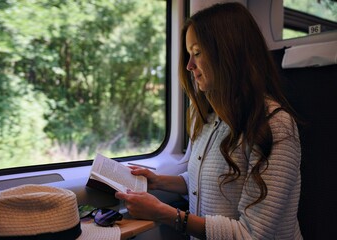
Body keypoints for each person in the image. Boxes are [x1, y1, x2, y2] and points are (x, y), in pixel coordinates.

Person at [115, 2, 302, 239]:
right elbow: (208, 182)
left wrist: (166, 214)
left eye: (198, 53)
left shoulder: (275, 126)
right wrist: (159, 182)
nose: (189, 65)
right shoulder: (212, 119)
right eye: (189, 54)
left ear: (229, 52)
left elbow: (254, 234)